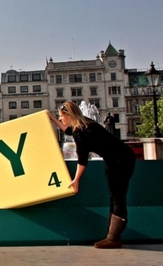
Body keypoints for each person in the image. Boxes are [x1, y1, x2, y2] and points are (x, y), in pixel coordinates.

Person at [47, 101, 135, 249]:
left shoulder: (80, 131)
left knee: (118, 197)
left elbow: (82, 159)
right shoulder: (84, 123)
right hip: (119, 158)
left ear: (69, 115)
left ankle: (113, 238)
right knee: (114, 197)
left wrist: (76, 180)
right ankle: (112, 237)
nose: (61, 119)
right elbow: (66, 130)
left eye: (61, 116)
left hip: (120, 161)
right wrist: (52, 119)